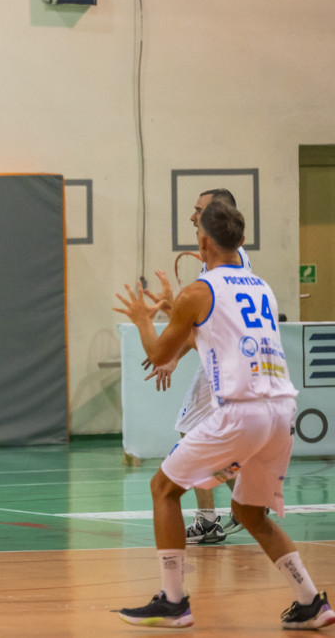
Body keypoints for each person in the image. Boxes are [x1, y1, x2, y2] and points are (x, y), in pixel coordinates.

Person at [113, 201, 334, 630]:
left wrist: (144, 319)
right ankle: (311, 601)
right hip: (283, 411)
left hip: (242, 413)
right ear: (241, 240)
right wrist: (179, 320)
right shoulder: (261, 286)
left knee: (163, 489)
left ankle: (173, 601)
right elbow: (215, 340)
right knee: (250, 512)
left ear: (202, 241)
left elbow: (160, 354)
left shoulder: (199, 292)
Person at [143, 189, 250, 545]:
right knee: (199, 438)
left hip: (223, 363)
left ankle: (233, 510)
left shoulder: (221, 269)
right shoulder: (232, 263)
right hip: (233, 361)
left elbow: (200, 324)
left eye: (199, 210)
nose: (192, 217)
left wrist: (166, 347)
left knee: (192, 439)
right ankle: (231, 510)